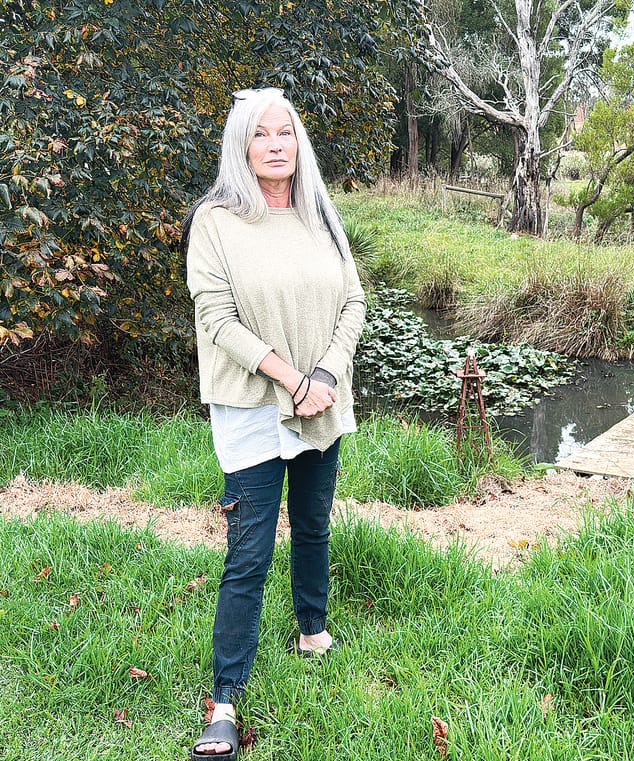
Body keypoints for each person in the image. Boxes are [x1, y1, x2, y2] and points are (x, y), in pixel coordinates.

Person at [183, 87, 365, 761]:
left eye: (284, 131)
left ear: (298, 140)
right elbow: (217, 318)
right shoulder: (216, 221)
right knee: (250, 553)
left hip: (323, 399)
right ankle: (225, 699)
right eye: (261, 134)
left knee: (315, 523)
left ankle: (312, 628)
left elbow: (352, 298)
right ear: (242, 144)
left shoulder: (321, 212)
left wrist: (325, 376)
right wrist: (292, 378)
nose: (275, 144)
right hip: (256, 406)